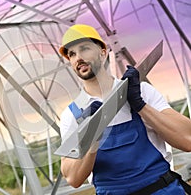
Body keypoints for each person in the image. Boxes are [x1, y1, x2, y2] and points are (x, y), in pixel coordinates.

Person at [58, 24, 191, 195]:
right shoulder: (72, 115)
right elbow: (72, 178)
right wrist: (92, 137)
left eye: (84, 49)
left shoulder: (141, 91)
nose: (78, 58)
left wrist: (140, 105)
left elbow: (187, 139)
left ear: (103, 52)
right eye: (72, 54)